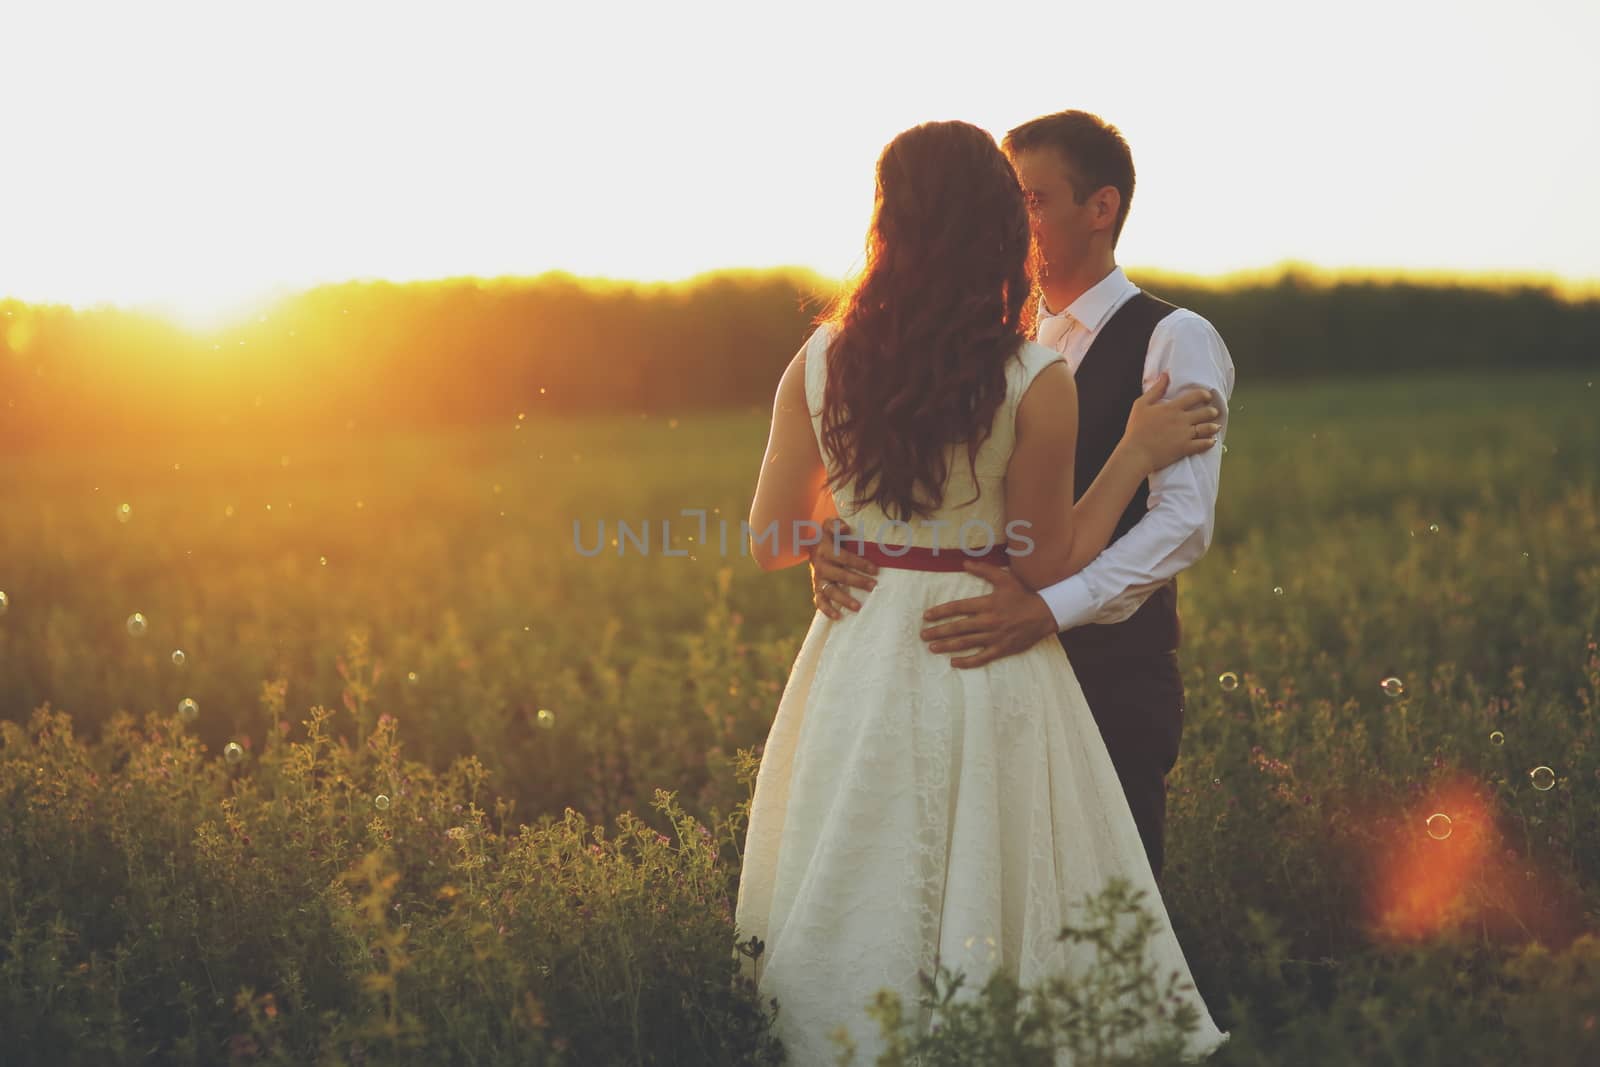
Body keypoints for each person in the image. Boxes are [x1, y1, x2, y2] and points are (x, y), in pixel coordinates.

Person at [735, 118, 1230, 1064]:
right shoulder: (1032, 376)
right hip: (982, 653)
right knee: (995, 878)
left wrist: (834, 538)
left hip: (861, 647)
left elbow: (767, 535)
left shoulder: (820, 358)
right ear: (997, 229)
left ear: (889, 224)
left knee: (862, 857)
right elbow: (1048, 563)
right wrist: (1131, 452)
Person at [809, 109, 1237, 886]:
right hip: (973, 674)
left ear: (1100, 208)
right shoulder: (994, 344)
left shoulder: (1176, 339)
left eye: (1034, 200)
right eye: (1011, 201)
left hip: (1107, 670)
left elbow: (1182, 522)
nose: (1016, 219)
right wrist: (835, 539)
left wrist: (1051, 607)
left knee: (1110, 905)